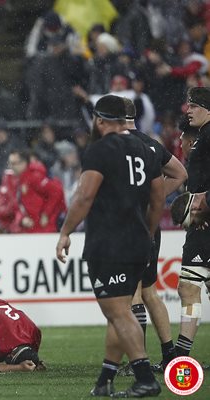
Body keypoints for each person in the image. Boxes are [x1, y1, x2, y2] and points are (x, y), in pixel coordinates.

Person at [55, 95, 164, 397]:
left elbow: (85, 196)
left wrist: (65, 232)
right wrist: (149, 232)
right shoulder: (147, 147)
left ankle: (144, 377)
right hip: (138, 241)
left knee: (117, 312)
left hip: (109, 242)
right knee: (119, 309)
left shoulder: (100, 150)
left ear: (100, 120)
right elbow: (157, 199)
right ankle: (105, 380)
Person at [122, 98, 187, 372]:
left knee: (132, 291)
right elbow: (180, 173)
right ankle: (169, 353)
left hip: (130, 225)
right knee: (150, 291)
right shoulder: (150, 143)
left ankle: (140, 362)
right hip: (150, 224)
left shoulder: (118, 146)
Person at [172, 87, 210, 359]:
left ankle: (181, 356)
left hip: (204, 226)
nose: (189, 110)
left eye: (194, 106)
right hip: (202, 224)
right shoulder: (202, 137)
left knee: (188, 286)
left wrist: (204, 203)